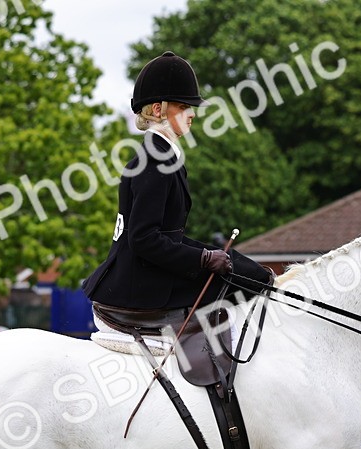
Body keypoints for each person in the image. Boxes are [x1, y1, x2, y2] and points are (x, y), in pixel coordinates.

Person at [82, 51, 273, 333]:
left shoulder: (164, 156)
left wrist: (218, 255)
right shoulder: (155, 162)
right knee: (241, 282)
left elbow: (172, 236)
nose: (193, 114)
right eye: (185, 106)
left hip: (148, 271)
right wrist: (204, 259)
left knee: (249, 272)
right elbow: (144, 239)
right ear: (158, 110)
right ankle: (215, 374)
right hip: (141, 284)